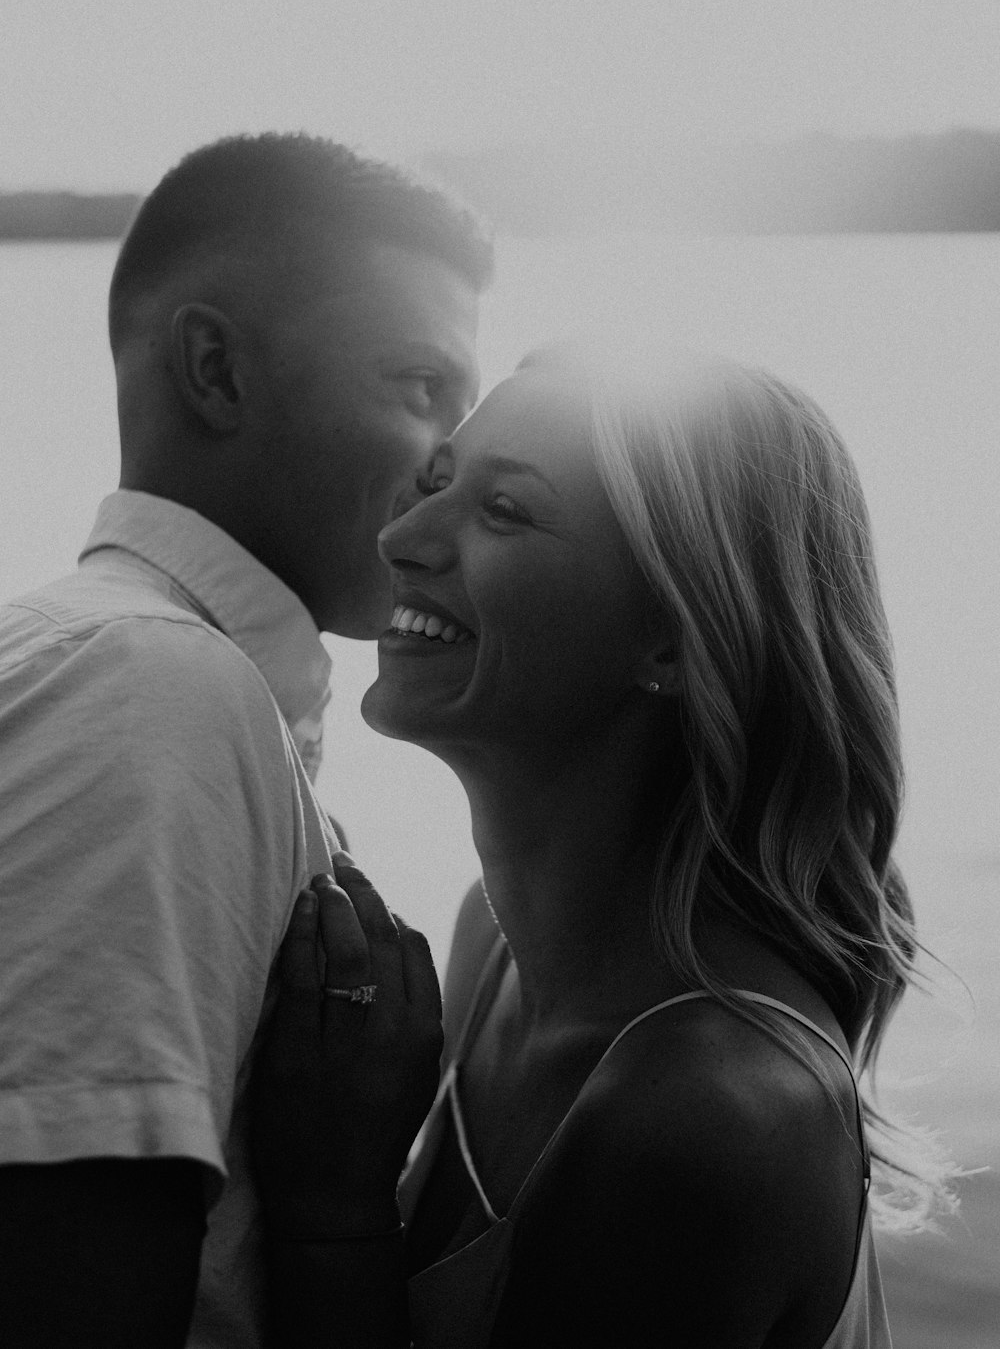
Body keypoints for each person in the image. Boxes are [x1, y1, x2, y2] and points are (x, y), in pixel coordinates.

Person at [252, 347, 956, 1347]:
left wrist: (332, 1203)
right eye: (436, 483)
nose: (402, 537)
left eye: (505, 511)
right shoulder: (491, 945)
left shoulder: (699, 1116)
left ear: (671, 635)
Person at [0, 132, 492, 1348]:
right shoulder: (153, 691)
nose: (456, 457)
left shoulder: (121, 661)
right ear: (216, 369)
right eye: (422, 387)